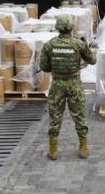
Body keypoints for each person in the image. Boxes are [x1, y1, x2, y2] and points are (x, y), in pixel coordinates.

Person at [40, 15, 96, 160]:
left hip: (57, 85)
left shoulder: (49, 45)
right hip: (74, 84)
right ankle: (83, 147)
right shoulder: (79, 44)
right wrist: (86, 46)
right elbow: (93, 60)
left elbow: (44, 67)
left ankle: (53, 149)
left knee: (55, 117)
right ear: (72, 27)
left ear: (57, 27)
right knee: (79, 116)